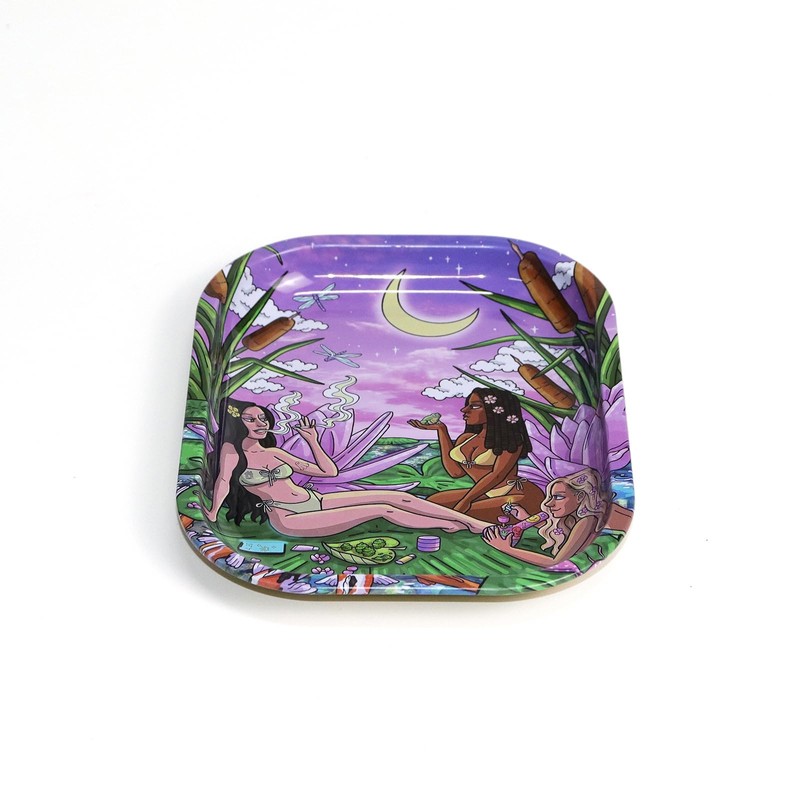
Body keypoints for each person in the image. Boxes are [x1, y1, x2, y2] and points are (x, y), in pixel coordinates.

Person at [205, 400, 487, 537]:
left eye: (262, 418)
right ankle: (449, 524)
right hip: (288, 516)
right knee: (383, 509)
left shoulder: (275, 452)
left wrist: (313, 440)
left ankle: (471, 523)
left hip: (315, 500)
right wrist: (214, 512)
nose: (260, 423)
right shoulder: (231, 450)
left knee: (397, 496)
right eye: (250, 419)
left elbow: (329, 473)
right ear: (237, 422)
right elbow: (224, 481)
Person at [408, 387, 544, 524]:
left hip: (518, 494)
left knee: (461, 513)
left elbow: (497, 475)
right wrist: (441, 430)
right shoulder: (466, 438)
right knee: (432, 502)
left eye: (475, 406)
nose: (464, 410)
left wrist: (466, 501)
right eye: (467, 405)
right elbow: (455, 472)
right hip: (485, 493)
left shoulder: (510, 440)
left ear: (495, 410)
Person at [481, 467, 633, 566]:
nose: (549, 503)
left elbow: (555, 561)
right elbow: (561, 530)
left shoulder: (588, 520)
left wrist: (506, 548)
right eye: (550, 497)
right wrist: (525, 517)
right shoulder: (575, 514)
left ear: (580, 497)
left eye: (559, 497)